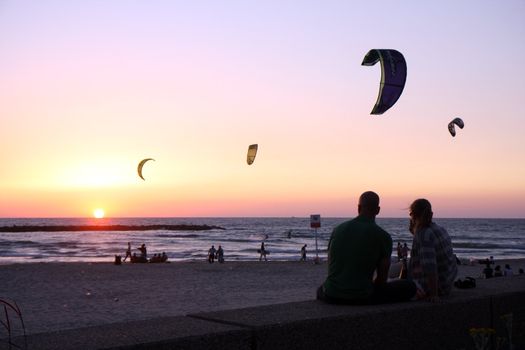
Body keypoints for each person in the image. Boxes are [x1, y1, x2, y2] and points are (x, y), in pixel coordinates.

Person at [317, 191, 416, 305]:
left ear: (358, 208)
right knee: (410, 286)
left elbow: (331, 266)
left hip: (331, 294)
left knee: (321, 288)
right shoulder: (383, 236)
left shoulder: (338, 229)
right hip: (361, 297)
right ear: (378, 210)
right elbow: (381, 280)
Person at [408, 199, 457, 302]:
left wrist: (434, 294)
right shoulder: (440, 229)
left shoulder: (423, 234)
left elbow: (430, 266)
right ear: (431, 214)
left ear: (412, 215)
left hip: (432, 287)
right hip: (447, 281)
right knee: (397, 267)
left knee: (390, 284)